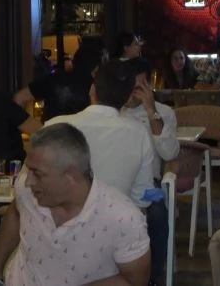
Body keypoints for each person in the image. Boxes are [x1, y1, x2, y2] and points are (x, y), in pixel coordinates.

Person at [0, 123, 150, 286]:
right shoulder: (28, 190)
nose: (28, 181)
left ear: (71, 176)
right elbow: (15, 212)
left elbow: (135, 281)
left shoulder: (123, 218)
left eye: (38, 174)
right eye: (29, 170)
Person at [44, 59, 155, 209]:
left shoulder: (54, 126)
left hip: (59, 220)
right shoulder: (139, 133)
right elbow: (143, 197)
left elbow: (28, 186)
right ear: (129, 97)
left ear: (92, 89)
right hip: (114, 219)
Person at [122, 57, 179, 285]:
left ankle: (153, 277)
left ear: (148, 86)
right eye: (129, 86)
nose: (132, 93)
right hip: (115, 178)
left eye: (139, 87)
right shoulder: (112, 110)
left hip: (148, 182)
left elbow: (169, 153)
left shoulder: (163, 112)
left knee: (157, 214)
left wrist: (151, 111)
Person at [13, 39, 104, 122]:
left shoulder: (51, 80)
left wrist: (33, 126)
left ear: (74, 62)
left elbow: (19, 98)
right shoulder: (96, 87)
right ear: (96, 68)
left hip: (51, 132)